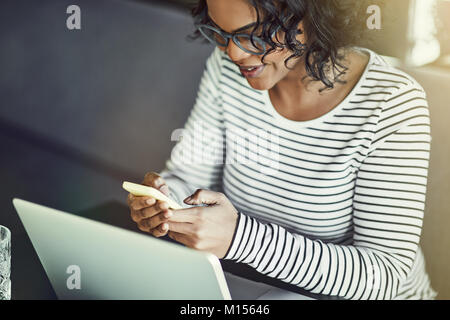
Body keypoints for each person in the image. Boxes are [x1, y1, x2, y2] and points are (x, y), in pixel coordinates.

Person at [127, 0, 437, 299]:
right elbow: (187, 175)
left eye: (253, 34)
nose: (235, 53)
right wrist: (166, 202)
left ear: (311, 15)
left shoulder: (391, 103)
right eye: (221, 32)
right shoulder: (226, 69)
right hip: (257, 287)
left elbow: (384, 275)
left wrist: (240, 239)